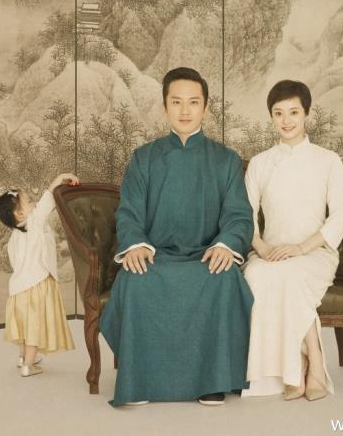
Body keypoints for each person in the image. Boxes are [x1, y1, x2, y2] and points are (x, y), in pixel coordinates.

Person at [99, 67, 254, 407]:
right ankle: (139, 380)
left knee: (224, 278)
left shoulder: (226, 160)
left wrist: (225, 245)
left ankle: (211, 381)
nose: (185, 111)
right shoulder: (143, 158)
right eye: (177, 102)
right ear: (165, 106)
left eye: (193, 102)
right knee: (135, 279)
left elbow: (238, 215)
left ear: (205, 107)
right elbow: (129, 211)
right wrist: (135, 245)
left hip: (206, 256)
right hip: (156, 256)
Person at [242, 80, 343, 401]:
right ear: (271, 117)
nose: (286, 120)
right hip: (270, 252)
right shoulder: (260, 163)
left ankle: (312, 362)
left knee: (289, 274)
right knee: (256, 274)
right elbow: (244, 216)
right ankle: (296, 366)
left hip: (315, 252)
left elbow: (340, 216)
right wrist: (262, 248)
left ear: (307, 114)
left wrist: (301, 248)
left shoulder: (328, 160)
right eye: (278, 113)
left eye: (293, 112)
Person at [0, 173, 79, 377]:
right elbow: (48, 198)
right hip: (37, 285)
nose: (35, 203)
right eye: (30, 202)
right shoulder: (34, 223)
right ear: (20, 214)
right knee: (35, 326)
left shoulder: (14, 237)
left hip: (18, 289)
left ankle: (23, 358)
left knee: (24, 326)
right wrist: (62, 177)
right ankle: (28, 366)